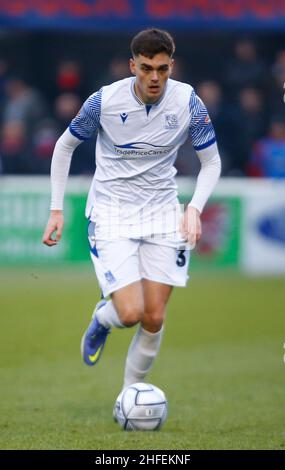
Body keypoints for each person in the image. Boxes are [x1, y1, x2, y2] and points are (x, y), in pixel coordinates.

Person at [42, 29, 221, 419]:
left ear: (171, 65)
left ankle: (128, 398)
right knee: (129, 313)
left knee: (154, 317)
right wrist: (56, 209)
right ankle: (102, 317)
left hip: (162, 213)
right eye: (146, 68)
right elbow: (64, 146)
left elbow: (211, 162)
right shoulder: (104, 102)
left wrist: (194, 208)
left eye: (161, 68)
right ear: (132, 66)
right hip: (111, 213)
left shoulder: (188, 101)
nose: (154, 77)